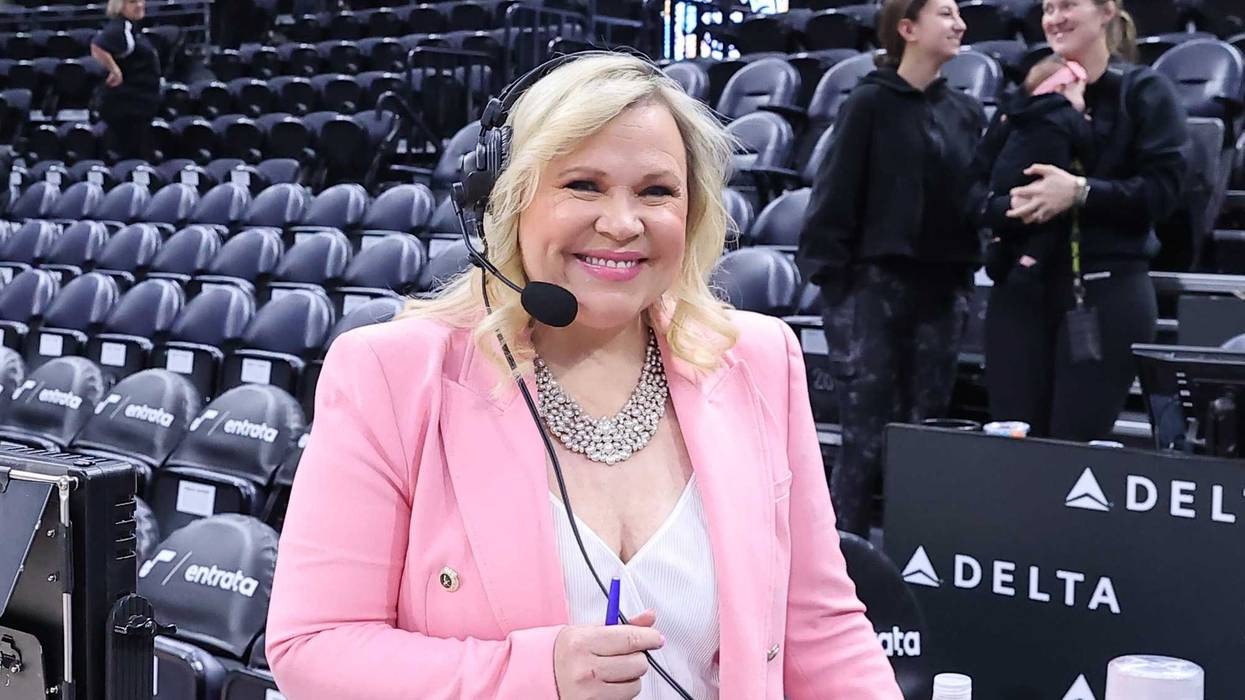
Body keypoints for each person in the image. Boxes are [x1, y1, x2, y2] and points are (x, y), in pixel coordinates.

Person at [266, 53, 902, 700]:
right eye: (583, 185)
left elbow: (821, 631)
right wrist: (530, 676)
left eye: (656, 191)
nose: (622, 223)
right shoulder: (390, 373)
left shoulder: (759, 359)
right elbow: (314, 648)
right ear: (505, 198)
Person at [795, 0, 985, 537]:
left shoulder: (966, 113)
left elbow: (974, 199)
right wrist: (836, 286)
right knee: (864, 435)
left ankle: (917, 557)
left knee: (927, 435)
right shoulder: (868, 103)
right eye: (945, 14)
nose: (960, 24)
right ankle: (842, 560)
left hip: (943, 289)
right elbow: (834, 193)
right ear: (908, 28)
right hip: (870, 288)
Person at [971, 0, 1188, 441]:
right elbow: (973, 188)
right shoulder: (1027, 95)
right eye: (1048, 8)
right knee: (1011, 451)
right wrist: (1013, 204)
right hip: (1018, 295)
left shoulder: (1144, 92)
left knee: (1073, 452)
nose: (1054, 19)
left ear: (1106, 12)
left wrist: (1080, 192)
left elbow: (1163, 193)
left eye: (1068, 5)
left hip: (1106, 292)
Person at [982, 56, 1095, 283]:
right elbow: (1087, 148)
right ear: (1062, 88)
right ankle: (1030, 259)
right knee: (1046, 225)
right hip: (1041, 192)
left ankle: (999, 246)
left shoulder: (1016, 116)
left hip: (1006, 189)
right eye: (1080, 92)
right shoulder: (1065, 114)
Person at [90, 0, 161, 162]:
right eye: (132, 2)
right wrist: (114, 70)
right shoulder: (120, 27)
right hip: (127, 109)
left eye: (141, 0)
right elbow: (97, 46)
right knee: (130, 159)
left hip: (137, 109)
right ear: (120, 6)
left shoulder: (131, 28)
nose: (140, 5)